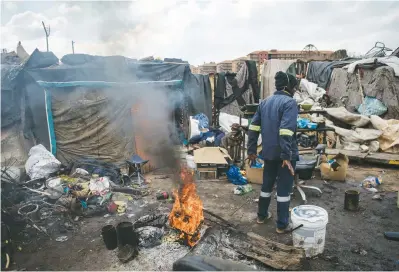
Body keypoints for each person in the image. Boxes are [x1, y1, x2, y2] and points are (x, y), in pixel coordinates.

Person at [247, 71, 299, 234]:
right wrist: (286, 156)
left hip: (268, 153)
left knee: (267, 185)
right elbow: (286, 131)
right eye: (293, 86)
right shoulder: (290, 103)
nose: (294, 89)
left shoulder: (264, 103)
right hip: (284, 155)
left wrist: (251, 150)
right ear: (288, 86)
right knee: (284, 189)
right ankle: (282, 225)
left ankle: (262, 216)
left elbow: (253, 127)